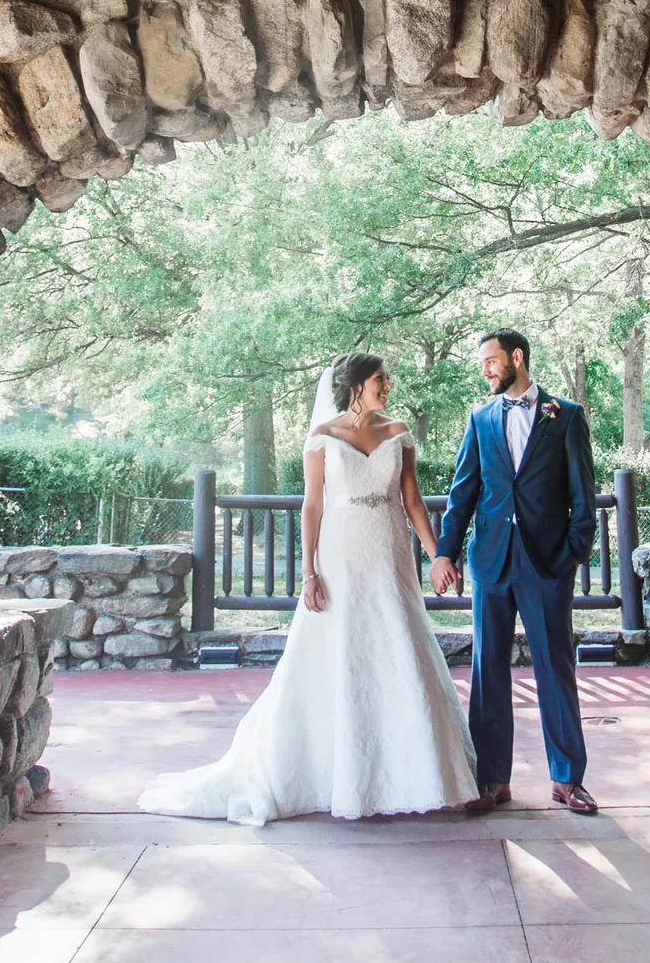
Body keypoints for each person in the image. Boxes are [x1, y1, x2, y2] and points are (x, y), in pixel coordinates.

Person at [139, 353, 478, 824]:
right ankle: (337, 771)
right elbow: (312, 507)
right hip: (340, 555)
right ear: (356, 385)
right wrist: (309, 573)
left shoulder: (398, 432)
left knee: (399, 644)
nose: (388, 386)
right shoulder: (321, 438)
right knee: (339, 650)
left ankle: (415, 771)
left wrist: (438, 553)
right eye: (380, 379)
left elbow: (412, 499)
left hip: (389, 551)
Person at [431, 330, 600, 816]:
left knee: (555, 668)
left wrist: (572, 552)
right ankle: (491, 780)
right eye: (482, 362)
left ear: (516, 358)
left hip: (547, 565)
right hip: (491, 562)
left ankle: (567, 778)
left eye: (491, 360)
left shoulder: (564, 416)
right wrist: (447, 553)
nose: (484, 369)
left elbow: (582, 495)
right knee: (487, 670)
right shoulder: (480, 419)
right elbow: (464, 491)